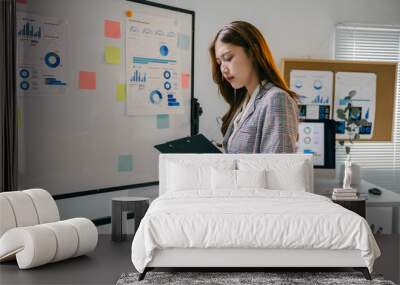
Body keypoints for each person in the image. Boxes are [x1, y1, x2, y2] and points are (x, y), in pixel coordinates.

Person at [209, 21, 299, 153]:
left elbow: (277, 168)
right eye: (219, 62)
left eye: (228, 58)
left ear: (253, 52)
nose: (223, 69)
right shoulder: (243, 102)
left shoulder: (276, 99)